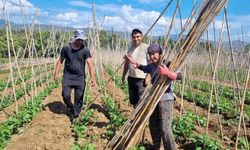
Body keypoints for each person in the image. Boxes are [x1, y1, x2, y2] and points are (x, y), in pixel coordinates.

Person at [124, 43, 182, 150]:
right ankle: (157, 147)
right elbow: (143, 68)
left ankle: (170, 148)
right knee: (154, 125)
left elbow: (180, 75)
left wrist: (168, 73)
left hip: (165, 97)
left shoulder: (168, 63)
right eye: (149, 54)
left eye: (154, 54)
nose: (151, 57)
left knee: (165, 128)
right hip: (153, 98)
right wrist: (135, 64)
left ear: (160, 53)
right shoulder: (151, 66)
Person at [54, 29, 95, 119]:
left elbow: (90, 63)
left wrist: (92, 77)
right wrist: (56, 73)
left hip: (80, 78)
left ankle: (76, 115)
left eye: (82, 40)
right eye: (78, 39)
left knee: (79, 97)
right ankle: (71, 107)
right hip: (68, 77)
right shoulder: (66, 48)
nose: (80, 41)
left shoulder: (85, 50)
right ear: (75, 38)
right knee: (65, 95)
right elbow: (60, 61)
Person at [121, 28, 149, 107]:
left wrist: (148, 76)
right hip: (131, 78)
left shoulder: (146, 48)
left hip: (142, 79)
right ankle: (135, 118)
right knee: (134, 101)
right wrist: (123, 76)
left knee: (142, 101)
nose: (136, 39)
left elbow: (151, 64)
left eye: (138, 36)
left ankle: (142, 118)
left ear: (142, 37)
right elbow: (127, 63)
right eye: (134, 37)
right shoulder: (130, 48)